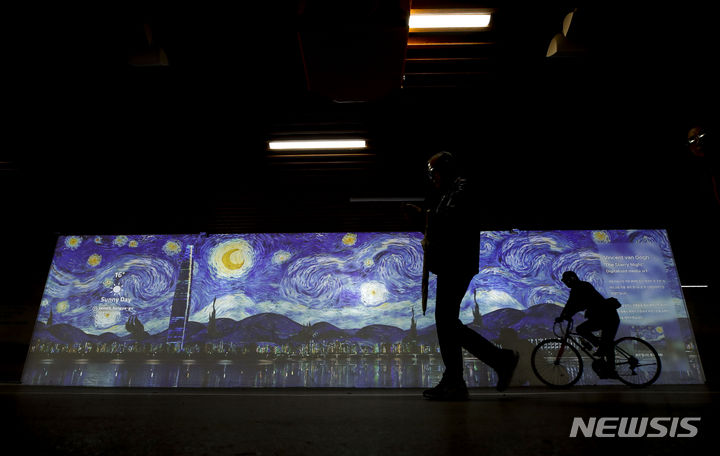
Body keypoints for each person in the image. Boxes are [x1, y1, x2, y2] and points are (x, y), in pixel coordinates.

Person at [418, 151, 518, 400]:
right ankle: (463, 376)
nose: (433, 178)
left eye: (434, 173)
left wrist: (422, 215)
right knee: (446, 323)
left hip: (455, 262)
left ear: (444, 170)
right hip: (452, 263)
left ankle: (471, 373)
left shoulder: (460, 190)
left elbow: (450, 221)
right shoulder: (452, 192)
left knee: (445, 322)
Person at [555, 271, 621, 378]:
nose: (566, 283)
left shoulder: (581, 287)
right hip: (604, 317)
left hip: (608, 317)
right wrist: (564, 316)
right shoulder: (578, 288)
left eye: (566, 281)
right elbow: (571, 304)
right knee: (601, 340)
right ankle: (601, 349)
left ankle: (611, 369)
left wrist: (564, 316)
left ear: (571, 279)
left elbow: (576, 304)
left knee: (604, 343)